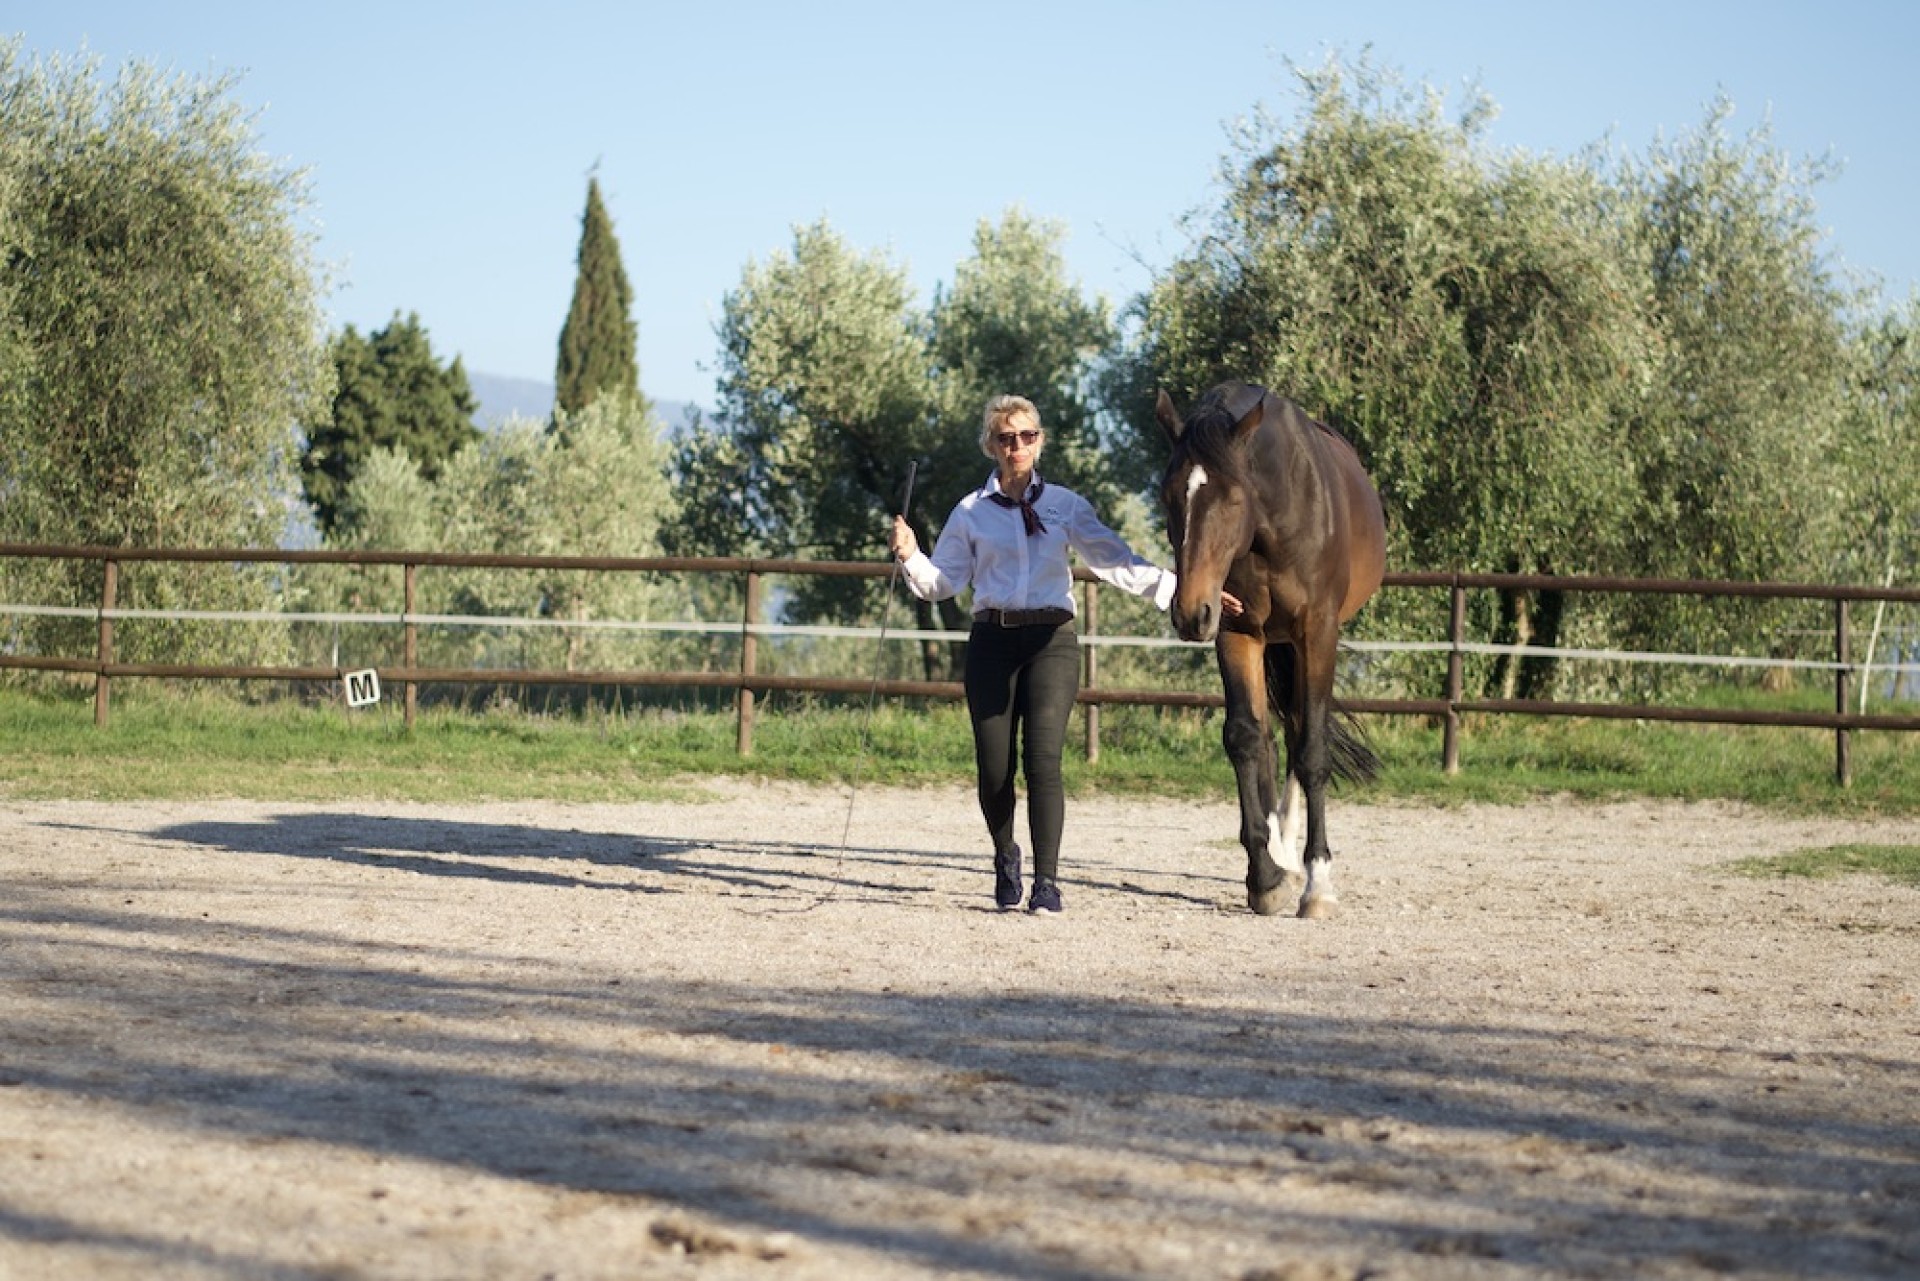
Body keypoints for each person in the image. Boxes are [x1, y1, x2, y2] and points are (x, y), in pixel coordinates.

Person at [889, 394, 1238, 915]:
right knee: (994, 769)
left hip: (1052, 642)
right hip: (992, 642)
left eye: (1027, 436)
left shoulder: (1066, 505)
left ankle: (1046, 883)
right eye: (1007, 438)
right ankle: (1006, 857)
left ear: (1040, 441)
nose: (1017, 446)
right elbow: (943, 584)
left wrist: (1181, 587)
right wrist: (911, 554)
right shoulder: (968, 513)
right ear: (992, 446)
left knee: (1043, 761)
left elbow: (1116, 561)